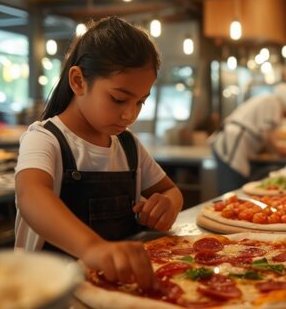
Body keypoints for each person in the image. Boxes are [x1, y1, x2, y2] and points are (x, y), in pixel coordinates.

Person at [14, 17, 183, 292]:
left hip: (116, 288)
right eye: (118, 99)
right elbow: (31, 196)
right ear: (78, 81)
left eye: (140, 101)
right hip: (51, 291)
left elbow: (172, 191)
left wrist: (167, 205)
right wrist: (92, 248)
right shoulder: (44, 138)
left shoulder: (128, 146)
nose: (130, 114)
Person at [211, 82, 286, 194]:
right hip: (233, 142)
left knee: (235, 184)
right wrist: (280, 150)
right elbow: (268, 137)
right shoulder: (273, 103)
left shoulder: (270, 101)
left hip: (233, 142)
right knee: (232, 186)